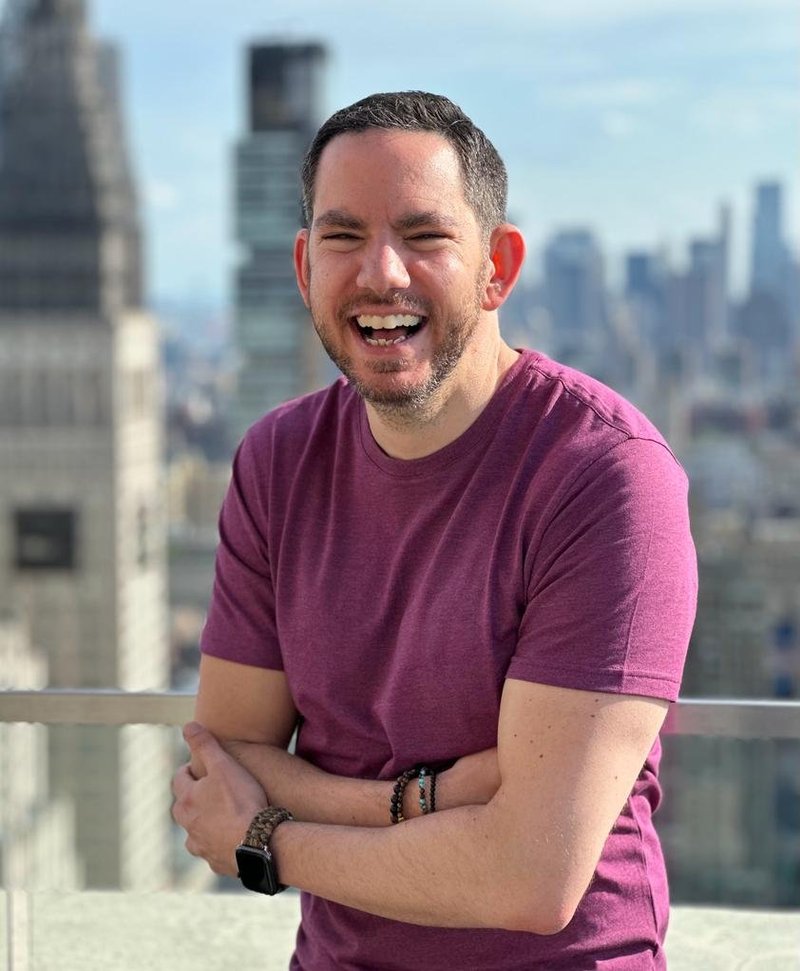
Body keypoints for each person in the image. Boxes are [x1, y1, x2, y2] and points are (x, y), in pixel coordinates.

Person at [171, 91, 697, 970]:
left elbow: (529, 875)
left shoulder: (606, 476)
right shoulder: (276, 462)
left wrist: (267, 840)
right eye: (343, 236)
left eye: (423, 235)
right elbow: (224, 761)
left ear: (498, 267)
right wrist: (433, 797)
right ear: (304, 267)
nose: (381, 273)